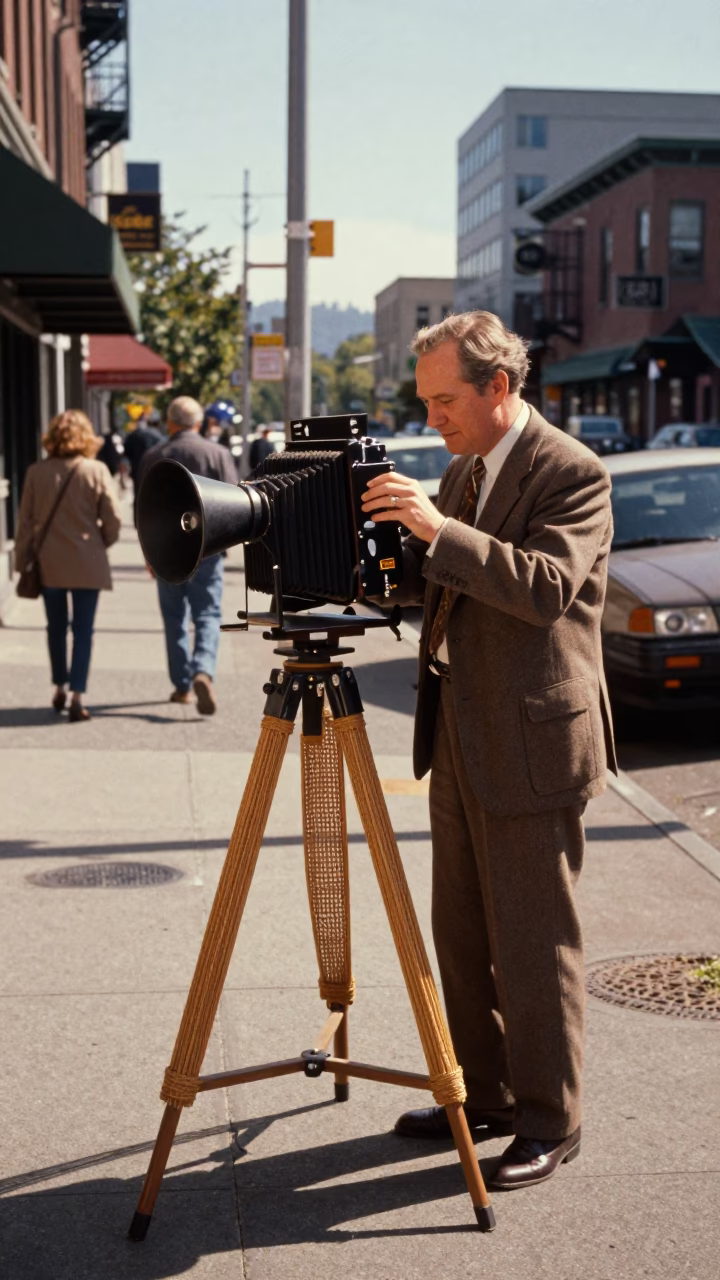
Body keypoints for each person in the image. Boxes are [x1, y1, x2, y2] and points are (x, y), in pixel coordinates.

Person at [361, 311, 616, 1191]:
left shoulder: (571, 471)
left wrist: (437, 531)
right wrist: (384, 568)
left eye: (444, 400)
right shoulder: (467, 467)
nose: (433, 418)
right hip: (462, 729)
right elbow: (456, 588)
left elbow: (544, 590)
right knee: (463, 935)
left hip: (535, 742)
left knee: (533, 939)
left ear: (498, 387)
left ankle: (553, 1119)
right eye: (427, 401)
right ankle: (488, 1098)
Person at [14, 409, 122, 722]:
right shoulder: (96, 470)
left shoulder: (37, 472)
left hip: (50, 562)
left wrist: (23, 560)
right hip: (88, 561)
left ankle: (59, 685)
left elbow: (25, 524)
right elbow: (113, 518)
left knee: (56, 628)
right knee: (84, 631)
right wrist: (101, 543)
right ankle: (78, 695)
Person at [139, 395, 238, 715]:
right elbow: (234, 504)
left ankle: (182, 685)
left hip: (166, 549)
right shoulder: (219, 454)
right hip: (209, 548)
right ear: (200, 422)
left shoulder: (154, 455)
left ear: (169, 423)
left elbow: (143, 510)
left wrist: (148, 554)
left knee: (174, 617)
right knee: (207, 614)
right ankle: (202, 670)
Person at [122, 415, 163, 525]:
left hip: (136, 468)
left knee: (138, 494)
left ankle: (138, 520)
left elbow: (126, 453)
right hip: (153, 469)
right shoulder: (157, 436)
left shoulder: (132, 436)